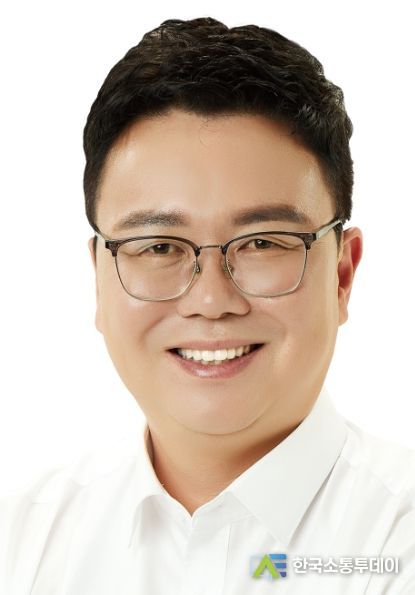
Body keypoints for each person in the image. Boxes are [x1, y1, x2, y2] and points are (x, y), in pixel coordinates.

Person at [1, 15, 414, 595]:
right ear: (98, 278)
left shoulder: (398, 540)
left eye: (263, 243)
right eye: (159, 247)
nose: (212, 300)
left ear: (342, 274)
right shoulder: (21, 544)